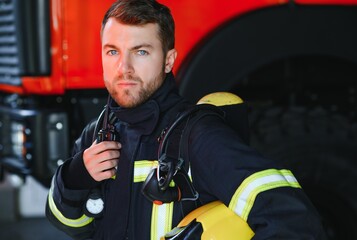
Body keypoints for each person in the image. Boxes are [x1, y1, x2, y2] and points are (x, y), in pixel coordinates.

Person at [46, 0, 327, 239]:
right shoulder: (97, 133)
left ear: (168, 61)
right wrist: (75, 176)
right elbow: (69, 224)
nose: (124, 68)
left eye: (141, 52)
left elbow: (294, 218)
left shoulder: (198, 136)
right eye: (113, 51)